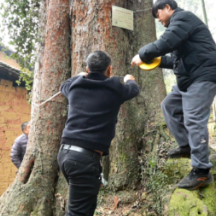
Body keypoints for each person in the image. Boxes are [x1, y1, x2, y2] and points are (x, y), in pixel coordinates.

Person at [131, 0, 216, 190]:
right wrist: (158, 60)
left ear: (168, 7)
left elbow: (166, 41)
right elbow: (176, 61)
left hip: (202, 77)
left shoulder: (183, 18)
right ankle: (186, 146)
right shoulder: (181, 30)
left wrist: (143, 54)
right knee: (169, 105)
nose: (159, 21)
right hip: (189, 78)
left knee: (194, 119)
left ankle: (201, 172)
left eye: (159, 16)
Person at [58, 50, 139, 216]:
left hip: (66, 156)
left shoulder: (75, 85)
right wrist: (129, 79)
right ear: (110, 70)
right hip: (83, 160)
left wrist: (79, 76)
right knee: (78, 212)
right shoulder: (115, 87)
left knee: (85, 209)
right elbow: (133, 89)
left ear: (87, 69)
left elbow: (63, 86)